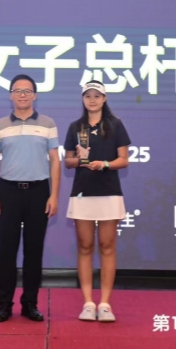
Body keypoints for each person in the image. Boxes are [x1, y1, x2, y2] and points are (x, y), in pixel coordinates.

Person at [0, 74, 61, 322]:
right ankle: (4, 304)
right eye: (17, 90)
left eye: (27, 91)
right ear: (10, 95)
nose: (22, 94)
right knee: (6, 251)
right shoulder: (0, 125)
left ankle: (30, 303)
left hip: (39, 192)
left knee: (34, 251)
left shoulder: (48, 123)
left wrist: (54, 195)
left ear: (35, 95)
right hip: (8, 192)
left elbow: (55, 161)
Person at [64, 80, 131, 323]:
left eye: (96, 95)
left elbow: (123, 160)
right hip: (82, 192)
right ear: (83, 99)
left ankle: (104, 304)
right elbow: (68, 161)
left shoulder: (115, 125)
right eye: (88, 96)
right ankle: (88, 303)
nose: (92, 100)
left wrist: (104, 164)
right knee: (84, 246)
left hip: (109, 192)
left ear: (104, 98)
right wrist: (81, 160)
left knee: (107, 246)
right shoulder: (75, 127)